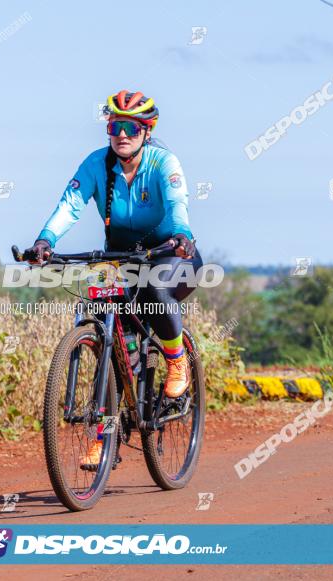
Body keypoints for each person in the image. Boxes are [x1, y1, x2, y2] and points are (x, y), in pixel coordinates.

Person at [23, 90, 203, 467]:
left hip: (172, 253)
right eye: (114, 126)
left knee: (154, 289)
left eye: (131, 127)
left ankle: (176, 360)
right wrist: (45, 241)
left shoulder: (163, 162)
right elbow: (69, 205)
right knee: (113, 336)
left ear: (146, 130)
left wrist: (183, 235)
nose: (122, 134)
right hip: (121, 256)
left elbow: (176, 205)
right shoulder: (96, 164)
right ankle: (105, 436)